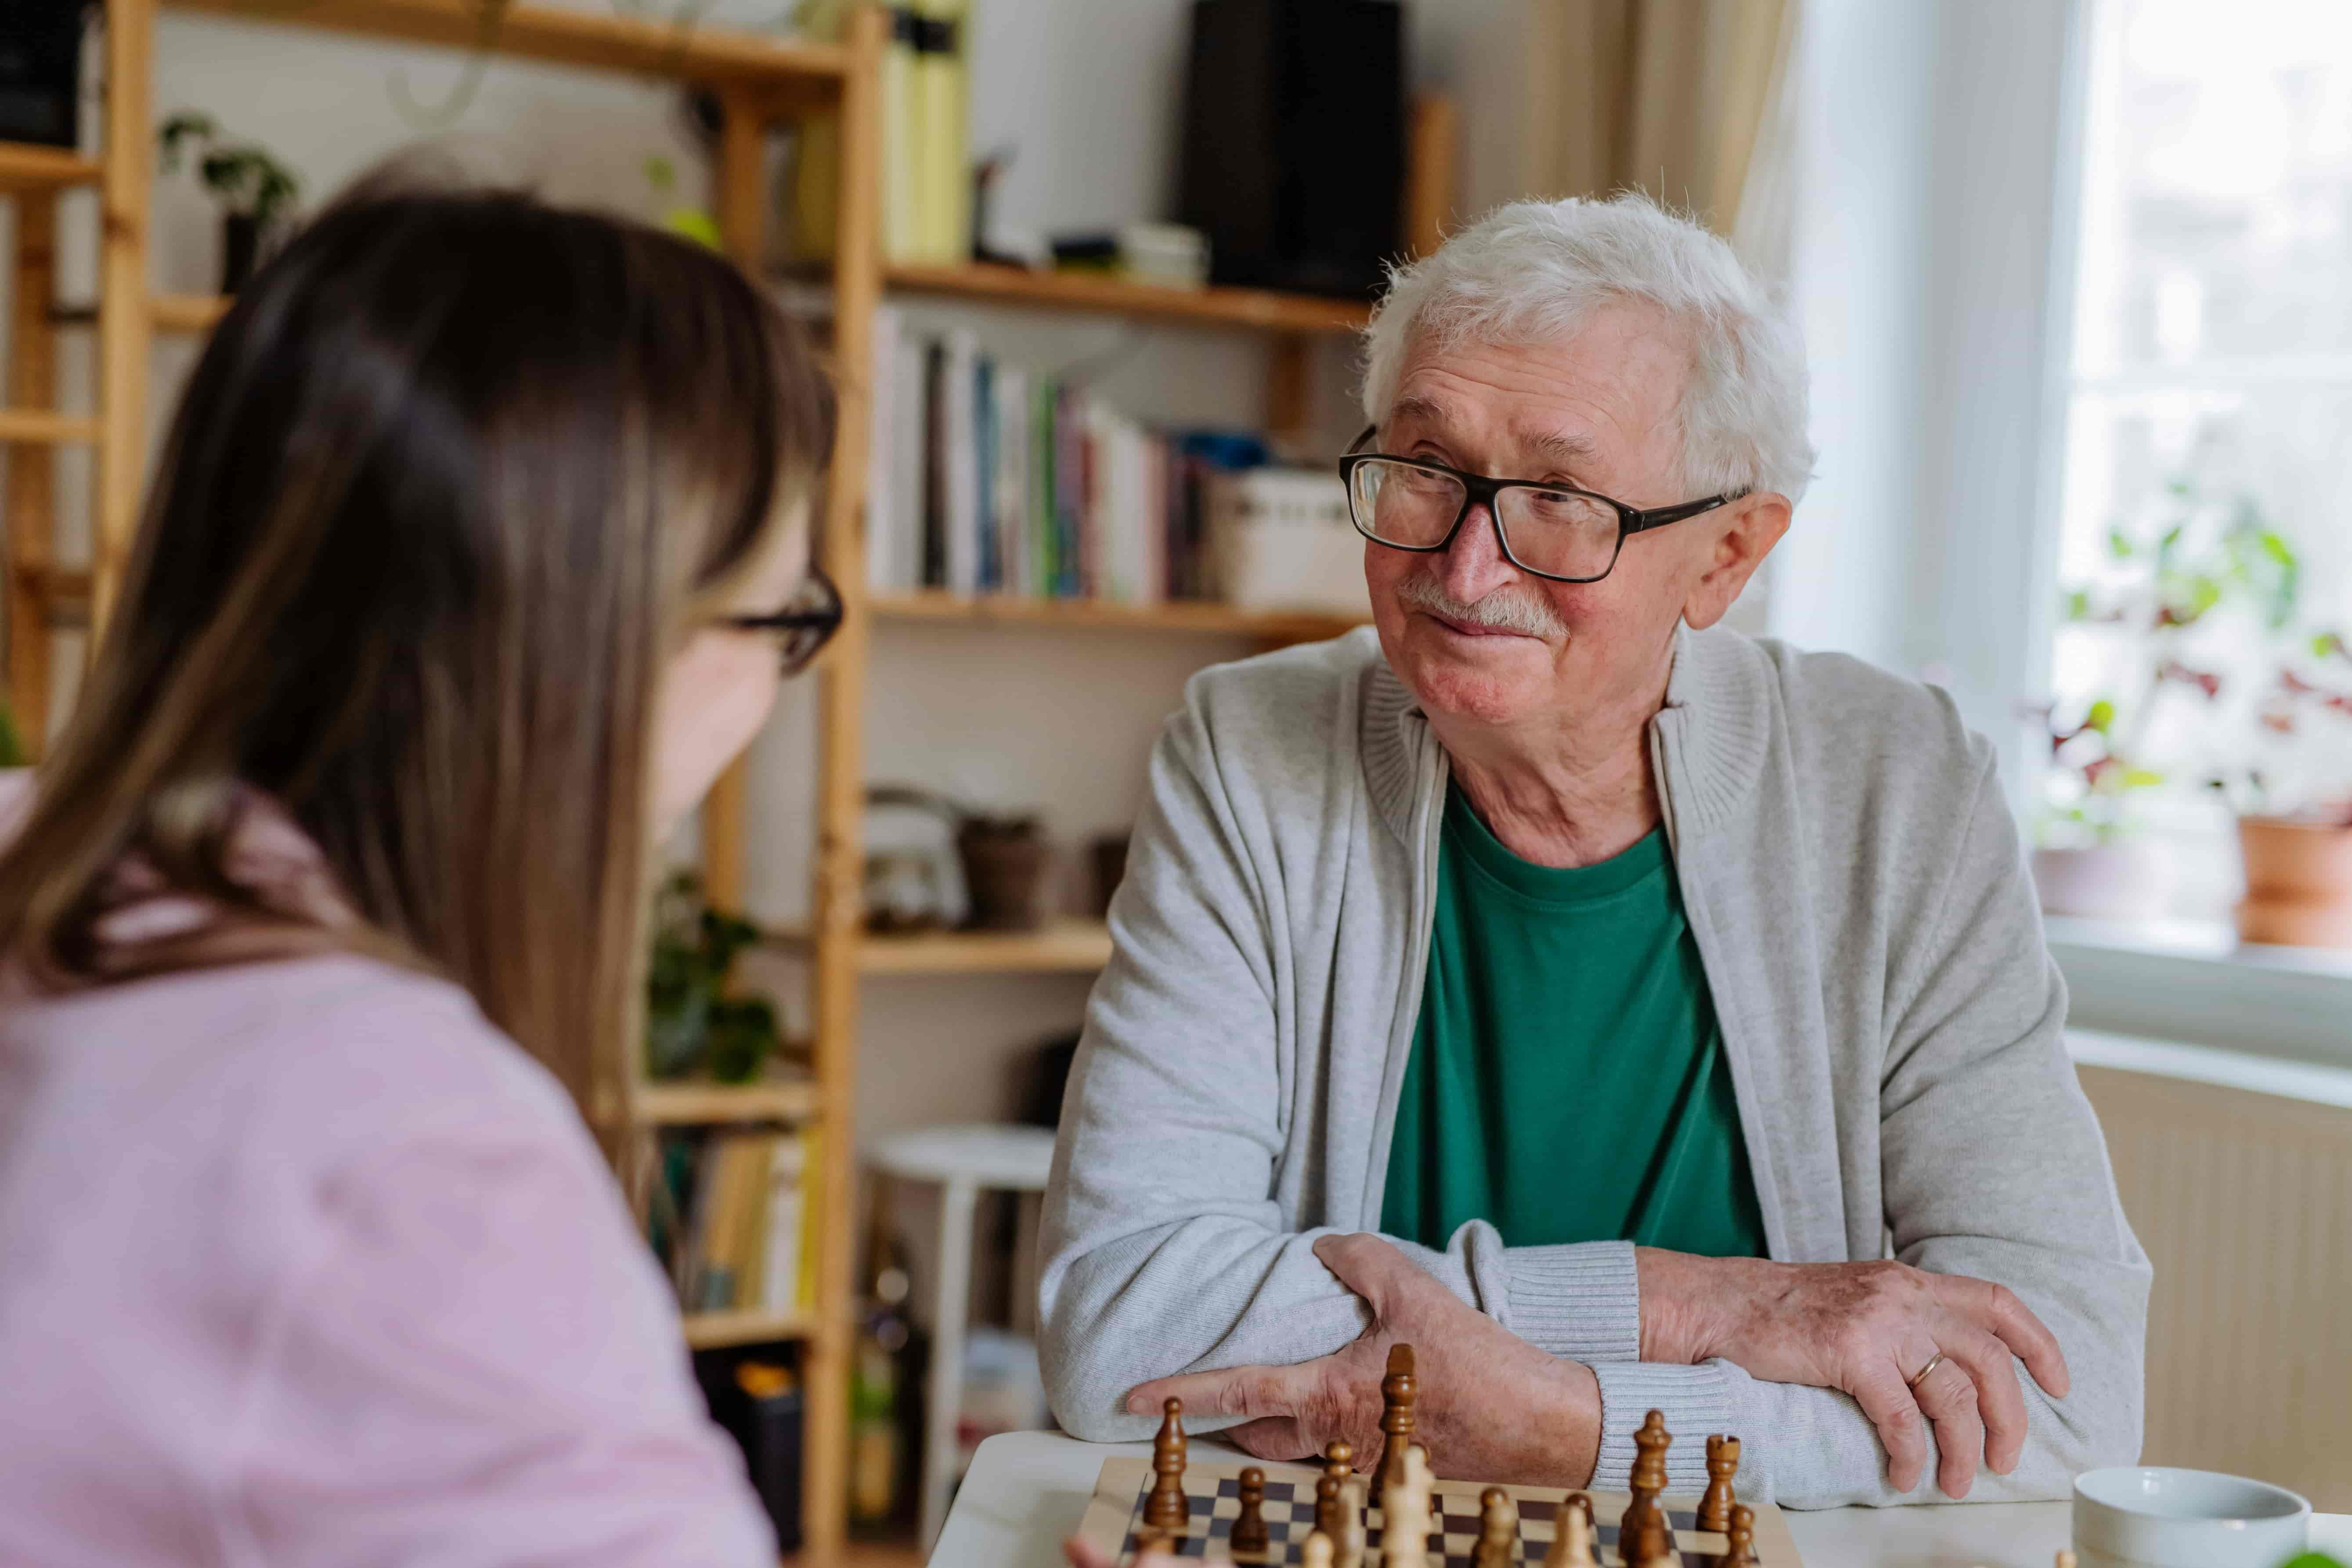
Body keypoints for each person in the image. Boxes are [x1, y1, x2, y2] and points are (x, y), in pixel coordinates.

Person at [1038, 194, 2150, 1508]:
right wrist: (1693, 1307)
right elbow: (1122, 1323)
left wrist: (1572, 1423)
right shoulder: (1249, 752)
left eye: (1557, 498)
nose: (1463, 562)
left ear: (1725, 554)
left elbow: (2059, 1391)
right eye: (1424, 467)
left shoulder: (1896, 789)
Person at [0, 185, 840, 1564]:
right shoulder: (411, 1153)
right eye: (783, 618)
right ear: (607, 649)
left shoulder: (37, 855)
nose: (775, 690)